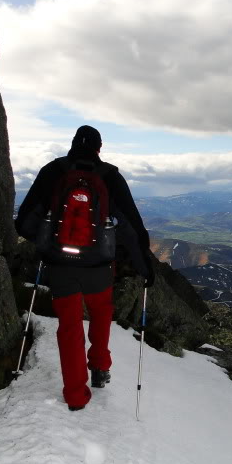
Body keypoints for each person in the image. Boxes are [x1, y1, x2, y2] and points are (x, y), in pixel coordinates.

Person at [15, 125, 154, 411]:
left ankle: (76, 396)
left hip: (60, 265)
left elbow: (24, 221)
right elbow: (133, 229)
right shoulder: (110, 177)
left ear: (72, 145)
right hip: (99, 266)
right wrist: (145, 268)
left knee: (69, 327)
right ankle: (100, 369)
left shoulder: (53, 172)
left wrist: (47, 242)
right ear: (99, 149)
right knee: (101, 314)